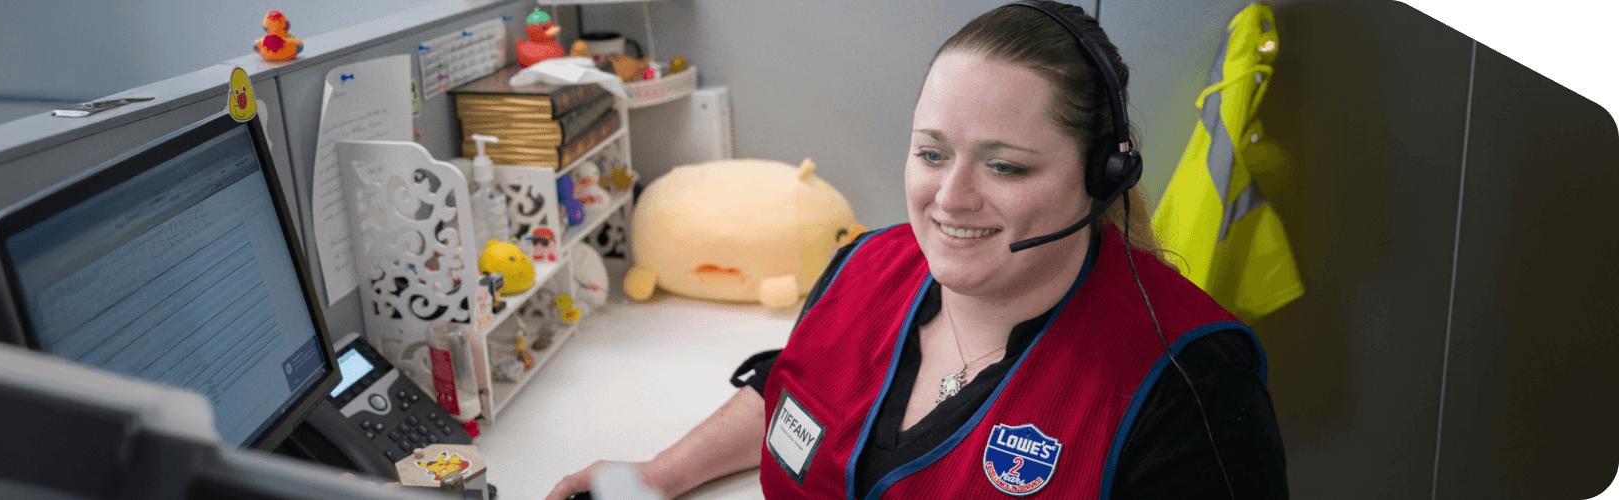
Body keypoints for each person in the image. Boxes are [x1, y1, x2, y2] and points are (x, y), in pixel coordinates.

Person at [546, 2, 1287, 499]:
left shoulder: (1188, 390)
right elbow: (800, 387)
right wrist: (654, 476)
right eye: (933, 154)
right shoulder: (864, 268)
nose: (951, 199)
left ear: (1103, 176)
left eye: (1005, 166)